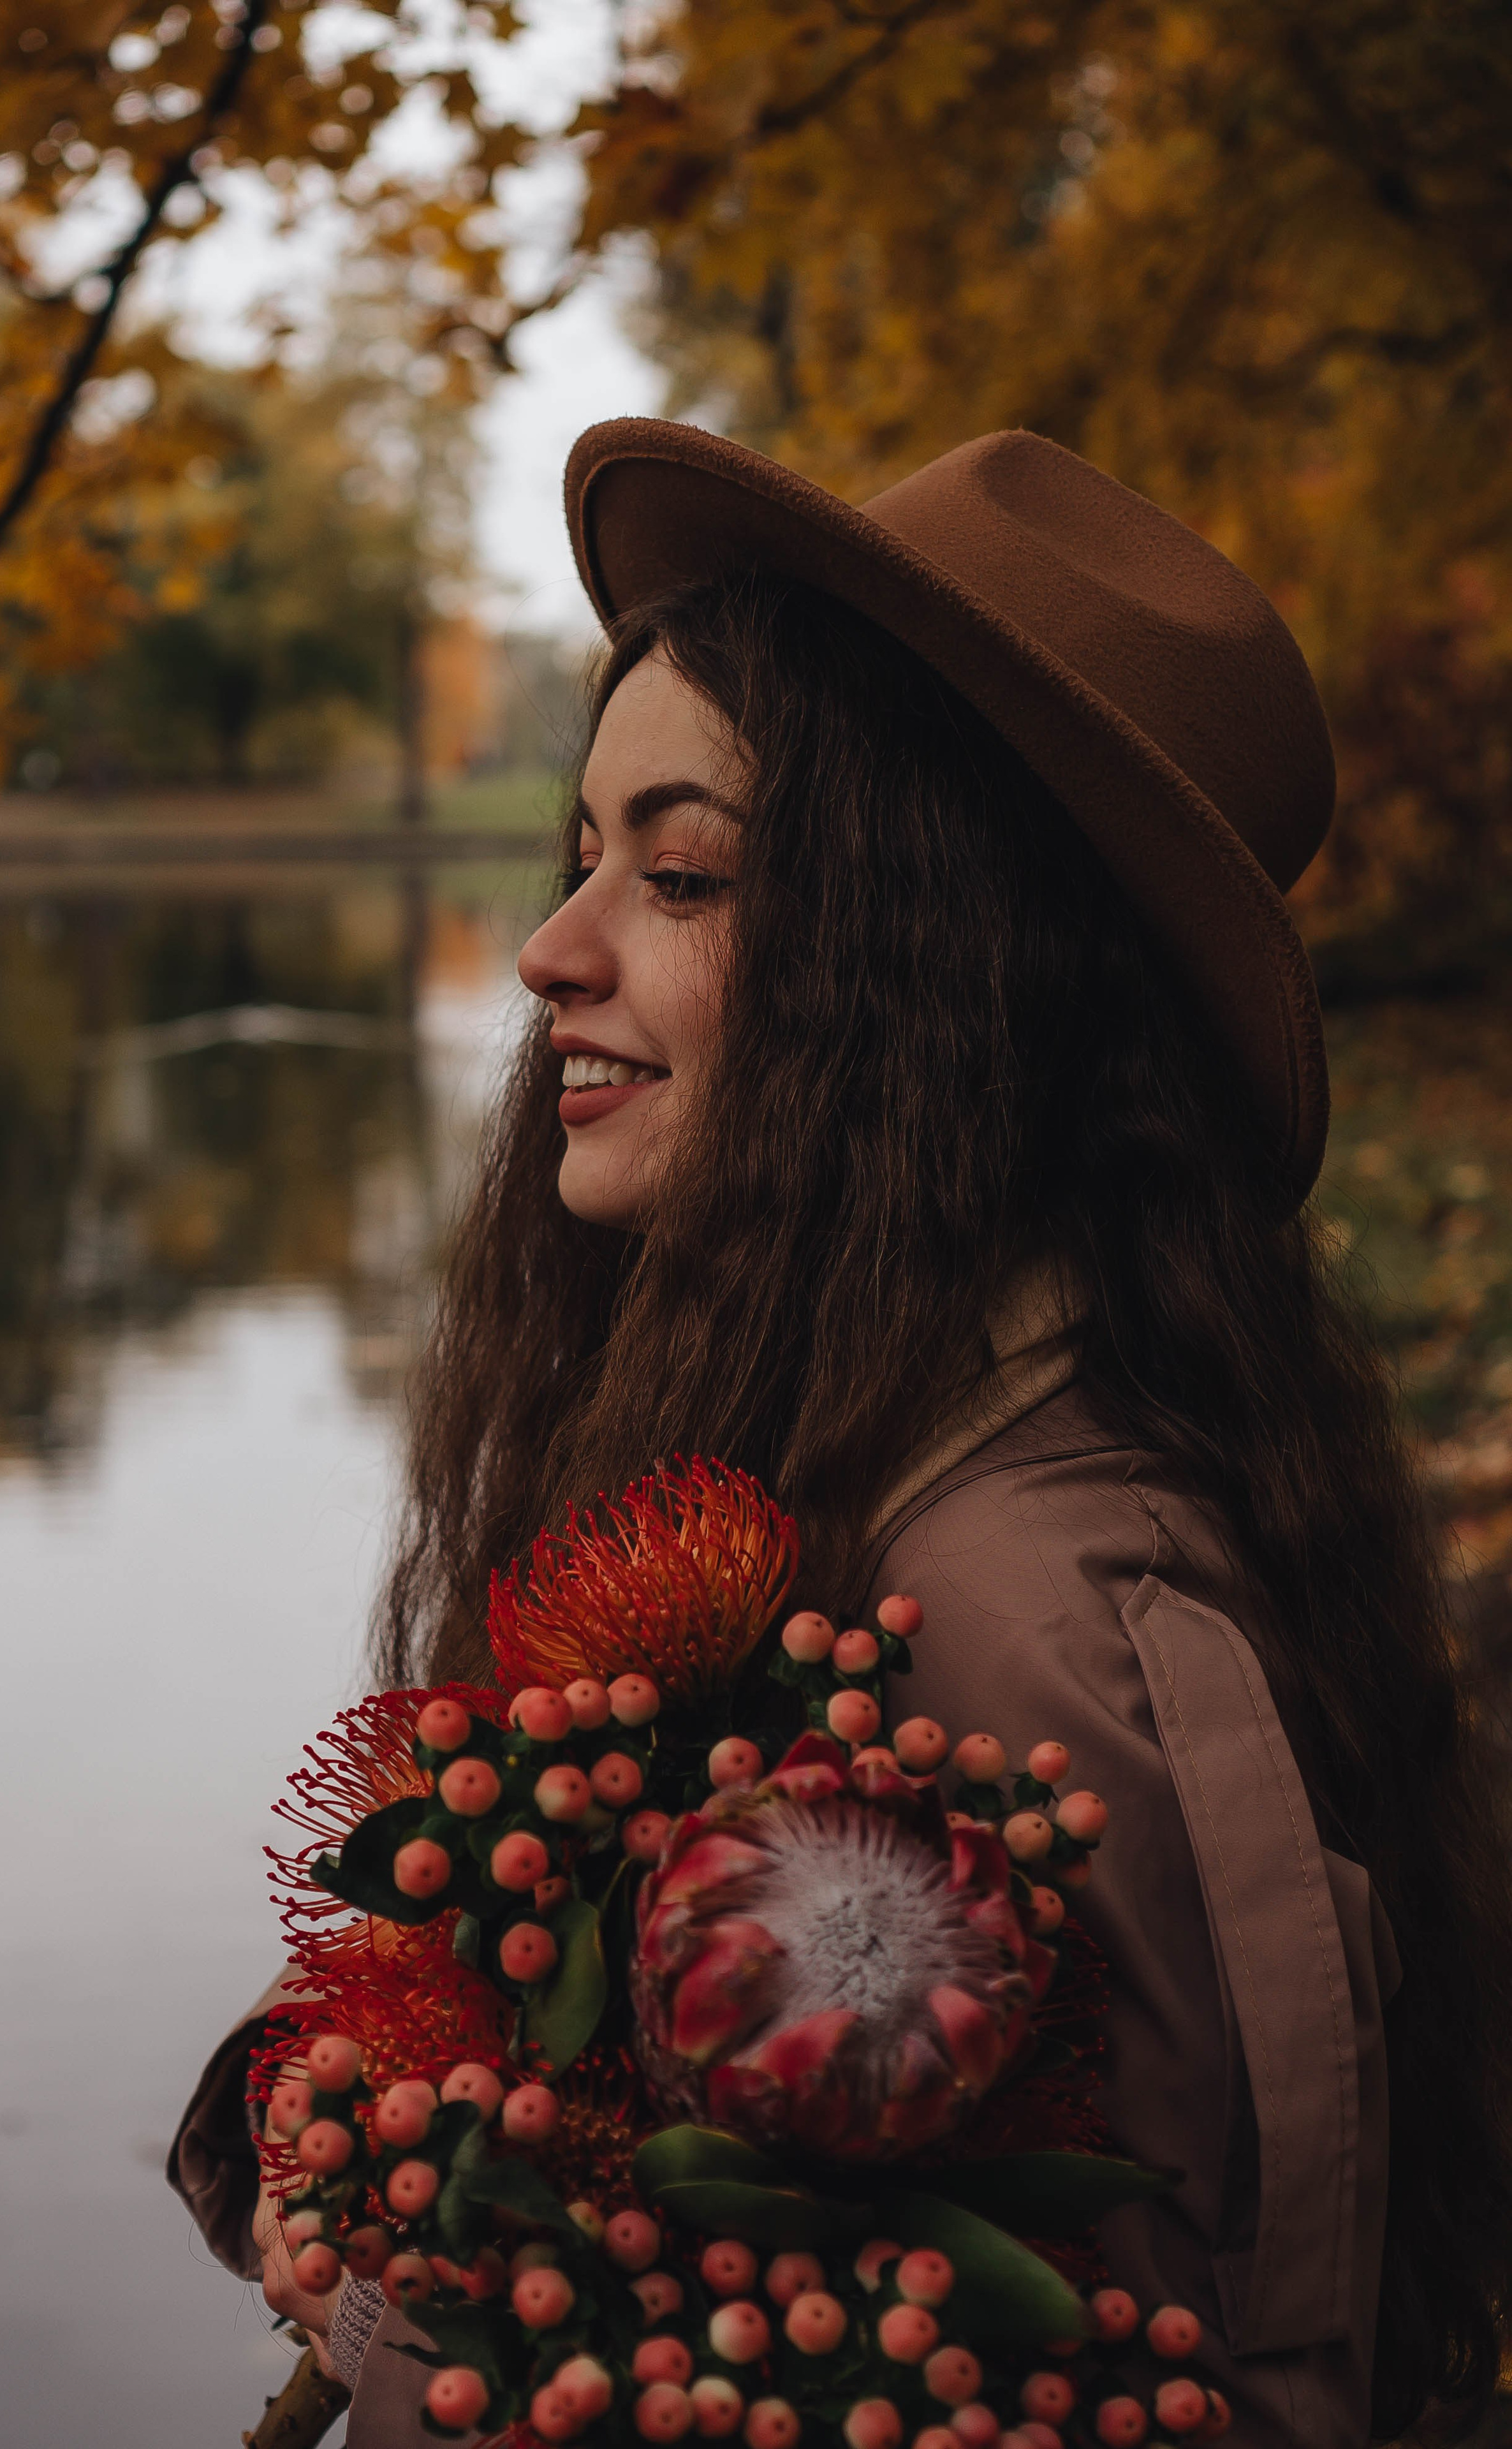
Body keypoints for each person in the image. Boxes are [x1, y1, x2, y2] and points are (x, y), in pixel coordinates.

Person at [171, 420, 1512, 2446]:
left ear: (933, 974)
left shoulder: (1029, 1631)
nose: (553, 953)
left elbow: (1191, 2388)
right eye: (585, 858)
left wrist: (424, 2296)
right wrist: (348, 2108)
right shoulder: (838, 1487)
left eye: (682, 871)